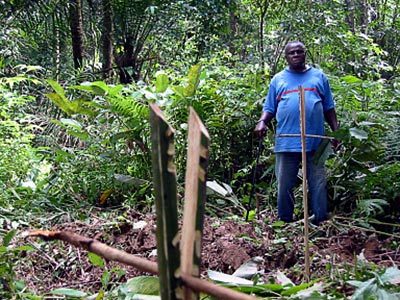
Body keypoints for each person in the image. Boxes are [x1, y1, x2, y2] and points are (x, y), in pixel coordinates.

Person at [254, 41, 339, 225]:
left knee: (317, 183)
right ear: (286, 56)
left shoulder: (319, 76)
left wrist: (336, 132)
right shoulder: (278, 79)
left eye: (299, 51)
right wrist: (262, 122)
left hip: (315, 141)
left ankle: (319, 221)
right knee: (284, 184)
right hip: (287, 141)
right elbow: (269, 107)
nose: (296, 55)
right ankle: (284, 222)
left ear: (305, 54)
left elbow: (329, 108)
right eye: (292, 52)